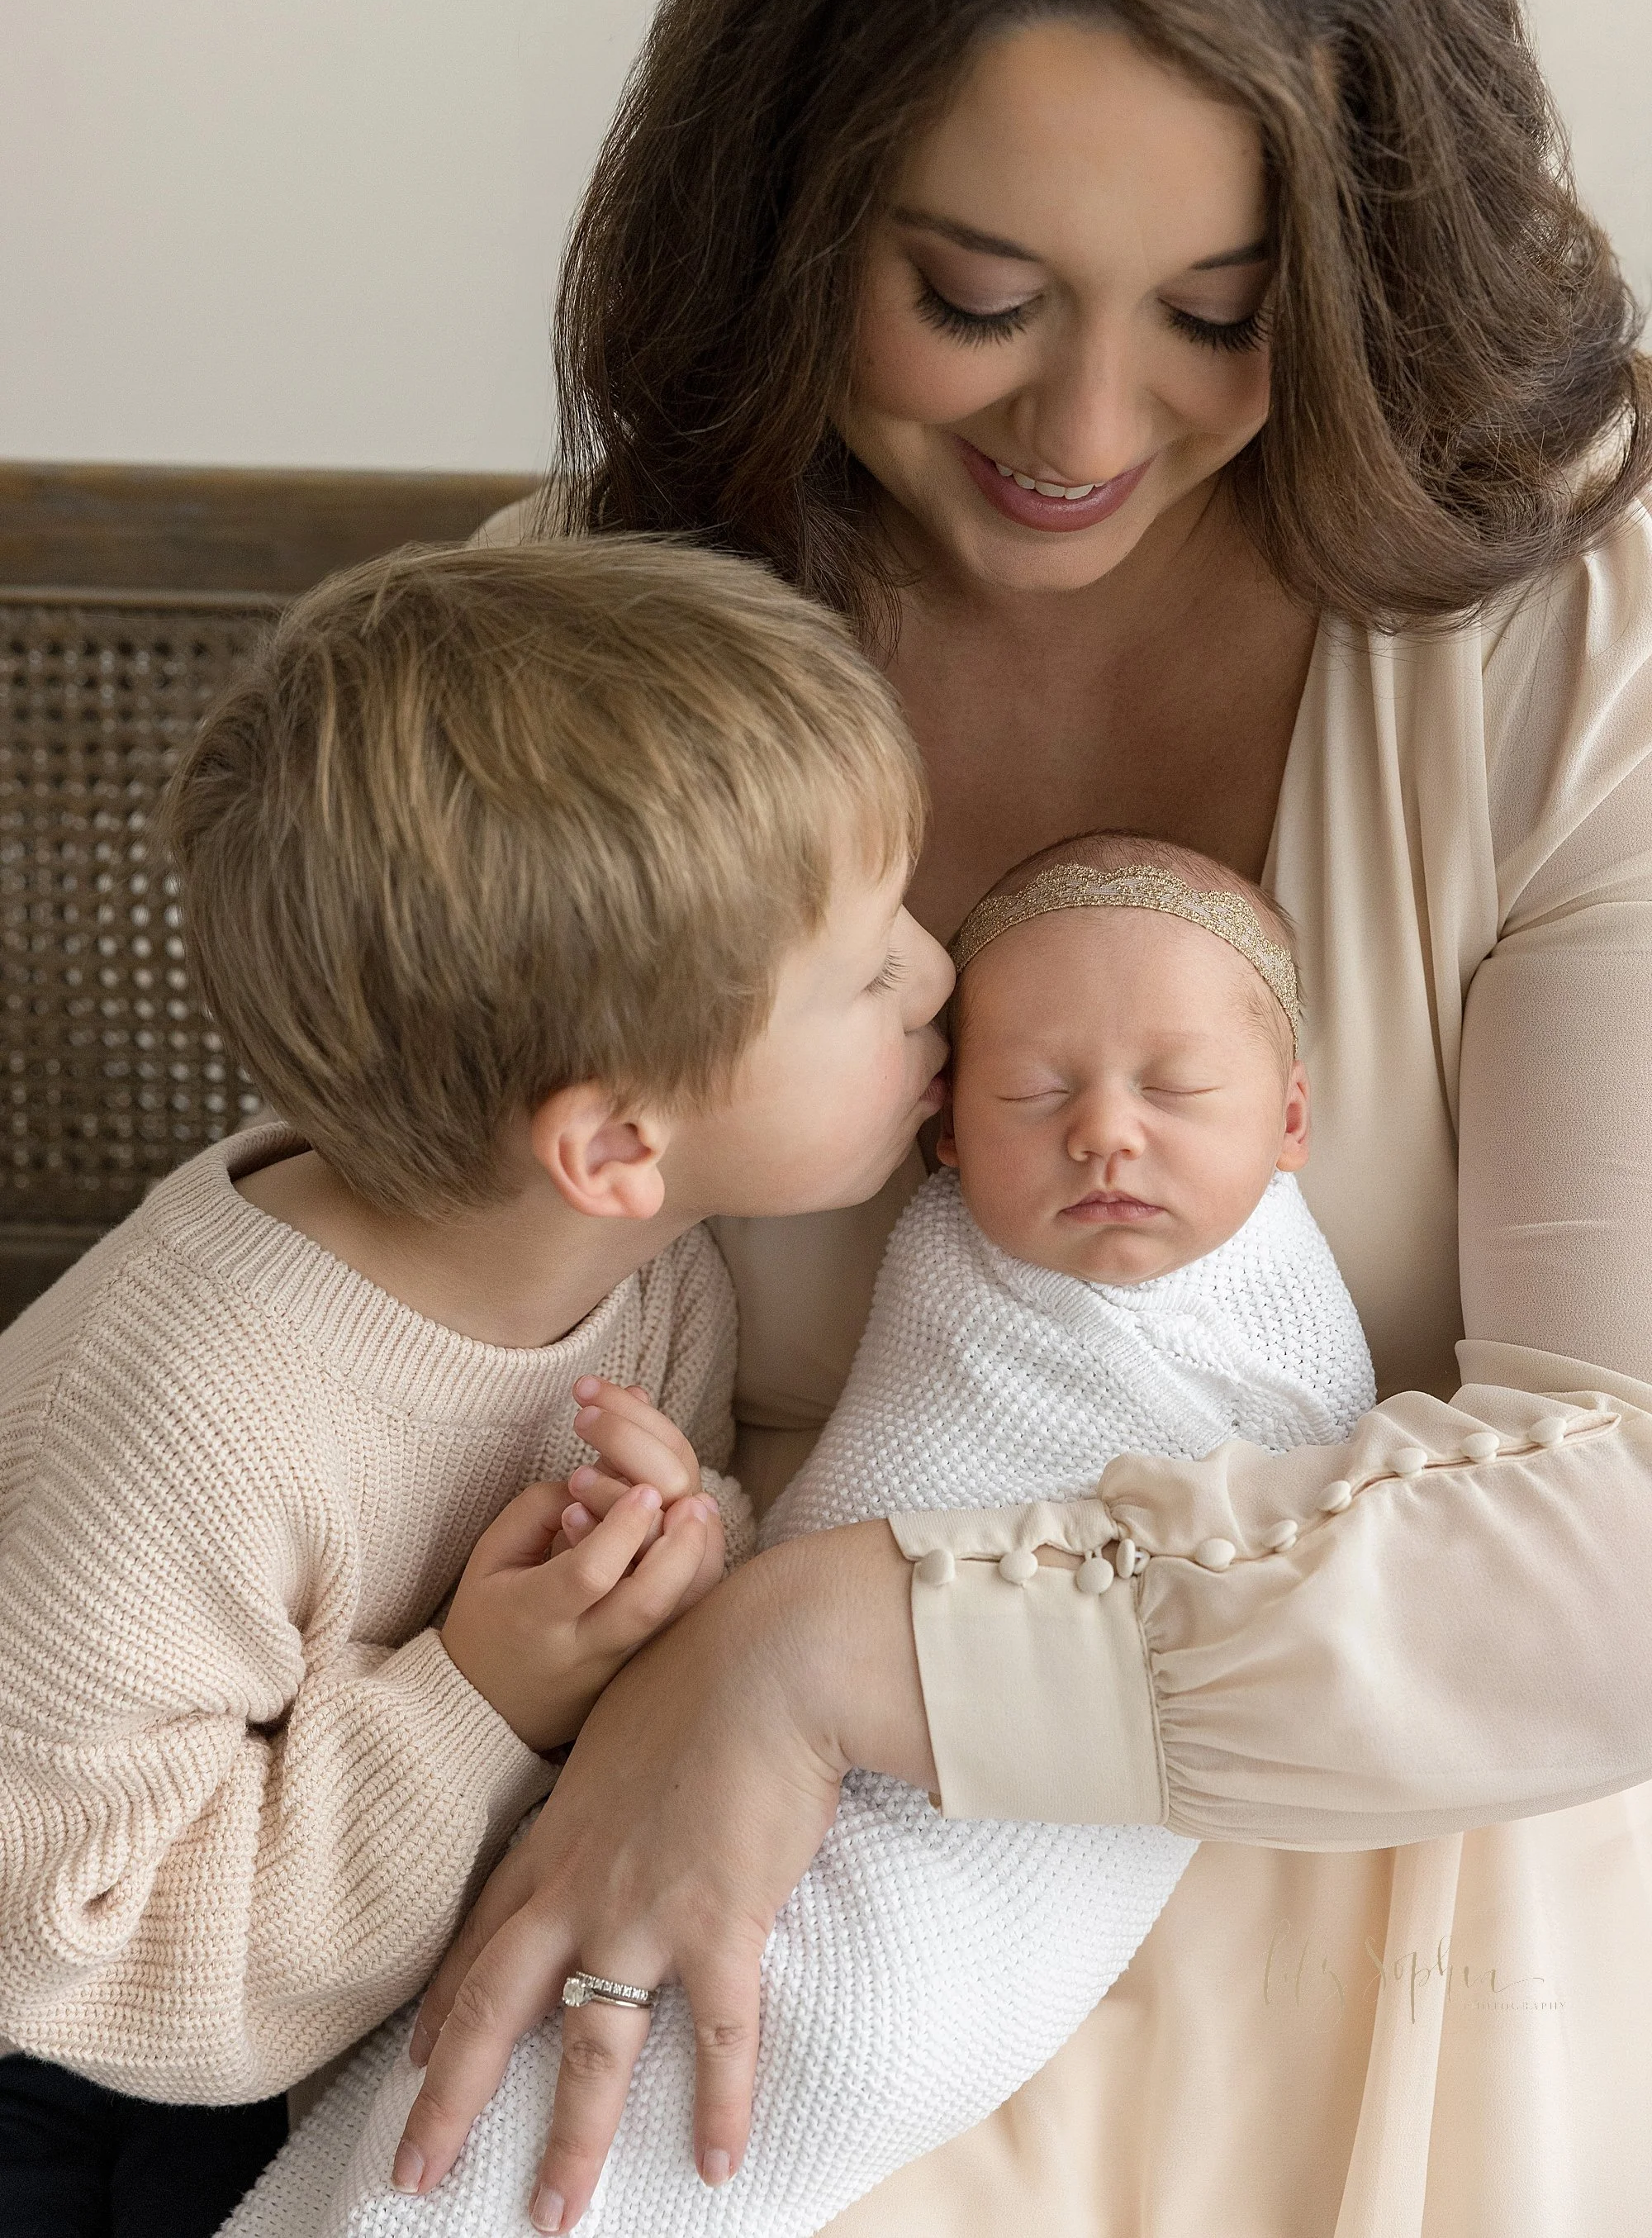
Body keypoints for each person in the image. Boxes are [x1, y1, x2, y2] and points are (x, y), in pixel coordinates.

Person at [385, 0, 1652, 2236]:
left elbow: (1627, 1520)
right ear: (781, 198)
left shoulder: (1569, 631)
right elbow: (392, 1346)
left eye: (1224, 310)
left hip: (1381, 1984)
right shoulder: (575, 647)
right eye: (971, 300)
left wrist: (847, 1641)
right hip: (718, 1982)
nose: (1088, 437)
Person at [0, 536, 951, 2237]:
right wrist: (480, 1697)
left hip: (322, 2008)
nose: (939, 976)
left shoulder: (644, 1270)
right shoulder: (188, 1415)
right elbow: (69, 1932)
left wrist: (678, 1555)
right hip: (71, 2072)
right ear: (609, 1142)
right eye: (869, 969)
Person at [231, 829, 1375, 2237]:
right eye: (1035, 1091)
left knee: (811, 2032)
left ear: (1294, 1119)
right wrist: (695, 1539)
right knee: (504, 2033)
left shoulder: (1283, 1350)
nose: (1105, 1131)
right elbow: (873, 1489)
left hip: (983, 1843)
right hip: (694, 1745)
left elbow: (1278, 1595)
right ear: (946, 1131)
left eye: (1180, 1087)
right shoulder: (940, 1263)